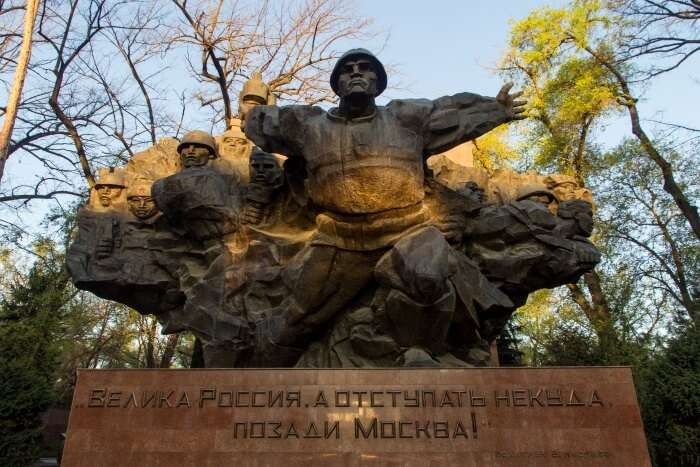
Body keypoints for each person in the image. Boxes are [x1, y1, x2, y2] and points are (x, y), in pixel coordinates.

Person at [244, 48, 526, 357]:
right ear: (336, 85)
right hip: (340, 238)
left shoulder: (407, 117)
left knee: (428, 276)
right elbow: (262, 123)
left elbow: (451, 112)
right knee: (294, 322)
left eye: (365, 68)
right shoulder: (309, 125)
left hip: (408, 231)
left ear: (378, 84)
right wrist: (252, 112)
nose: (355, 72)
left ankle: (417, 354)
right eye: (347, 69)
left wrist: (495, 109)